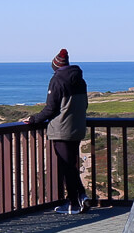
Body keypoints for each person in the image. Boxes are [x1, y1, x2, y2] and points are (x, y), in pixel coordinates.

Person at [21, 49, 90, 215]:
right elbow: (85, 104)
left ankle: (74, 203)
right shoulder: (80, 80)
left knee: (67, 167)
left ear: (55, 65)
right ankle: (82, 196)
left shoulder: (57, 80)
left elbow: (51, 108)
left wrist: (33, 119)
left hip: (61, 129)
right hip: (77, 127)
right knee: (71, 166)